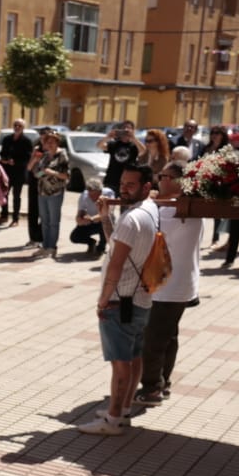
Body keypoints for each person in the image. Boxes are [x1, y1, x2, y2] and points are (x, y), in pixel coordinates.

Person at [80, 164, 157, 436]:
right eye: (122, 183)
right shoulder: (149, 211)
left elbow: (116, 264)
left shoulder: (132, 218)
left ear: (146, 187)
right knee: (134, 358)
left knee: (121, 363)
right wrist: (104, 217)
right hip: (140, 299)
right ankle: (122, 410)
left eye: (131, 185)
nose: (124, 189)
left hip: (120, 300)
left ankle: (113, 420)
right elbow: (117, 244)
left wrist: (103, 300)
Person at [137, 162, 203, 407]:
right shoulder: (191, 209)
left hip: (167, 287)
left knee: (153, 339)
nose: (159, 180)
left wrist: (146, 200)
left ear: (178, 182)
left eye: (164, 176)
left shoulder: (171, 211)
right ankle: (163, 382)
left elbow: (144, 224)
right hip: (181, 285)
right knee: (168, 336)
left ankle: (152, 387)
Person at [33, 131, 71, 258]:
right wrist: (39, 171)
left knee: (54, 221)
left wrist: (52, 172)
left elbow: (66, 175)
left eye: (52, 142)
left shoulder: (62, 155)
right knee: (44, 221)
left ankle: (52, 247)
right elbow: (36, 174)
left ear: (57, 143)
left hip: (55, 192)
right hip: (42, 192)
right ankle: (45, 246)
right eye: (47, 141)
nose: (49, 144)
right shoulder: (44, 156)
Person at [0, 120, 34, 227]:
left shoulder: (26, 141)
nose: (17, 127)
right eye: (15, 125)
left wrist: (15, 162)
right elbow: (2, 153)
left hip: (19, 172)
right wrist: (4, 160)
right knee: (5, 194)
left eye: (19, 126)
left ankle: (15, 219)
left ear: (23, 128)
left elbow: (27, 157)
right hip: (6, 172)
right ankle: (4, 216)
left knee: (16, 196)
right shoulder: (7, 139)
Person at [98, 121, 144, 194]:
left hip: (128, 181)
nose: (126, 130)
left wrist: (133, 138)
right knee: (108, 202)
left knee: (126, 204)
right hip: (112, 179)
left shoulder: (134, 146)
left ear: (133, 130)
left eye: (128, 128)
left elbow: (143, 151)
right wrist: (108, 137)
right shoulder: (114, 144)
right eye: (124, 128)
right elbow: (100, 146)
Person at [70, 179, 114, 256]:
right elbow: (79, 214)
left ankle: (101, 248)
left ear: (100, 192)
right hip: (90, 221)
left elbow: (108, 213)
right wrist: (80, 220)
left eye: (95, 195)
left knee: (105, 222)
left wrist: (92, 218)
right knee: (74, 237)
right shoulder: (84, 195)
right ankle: (91, 242)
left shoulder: (108, 193)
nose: (92, 198)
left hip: (103, 220)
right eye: (90, 195)